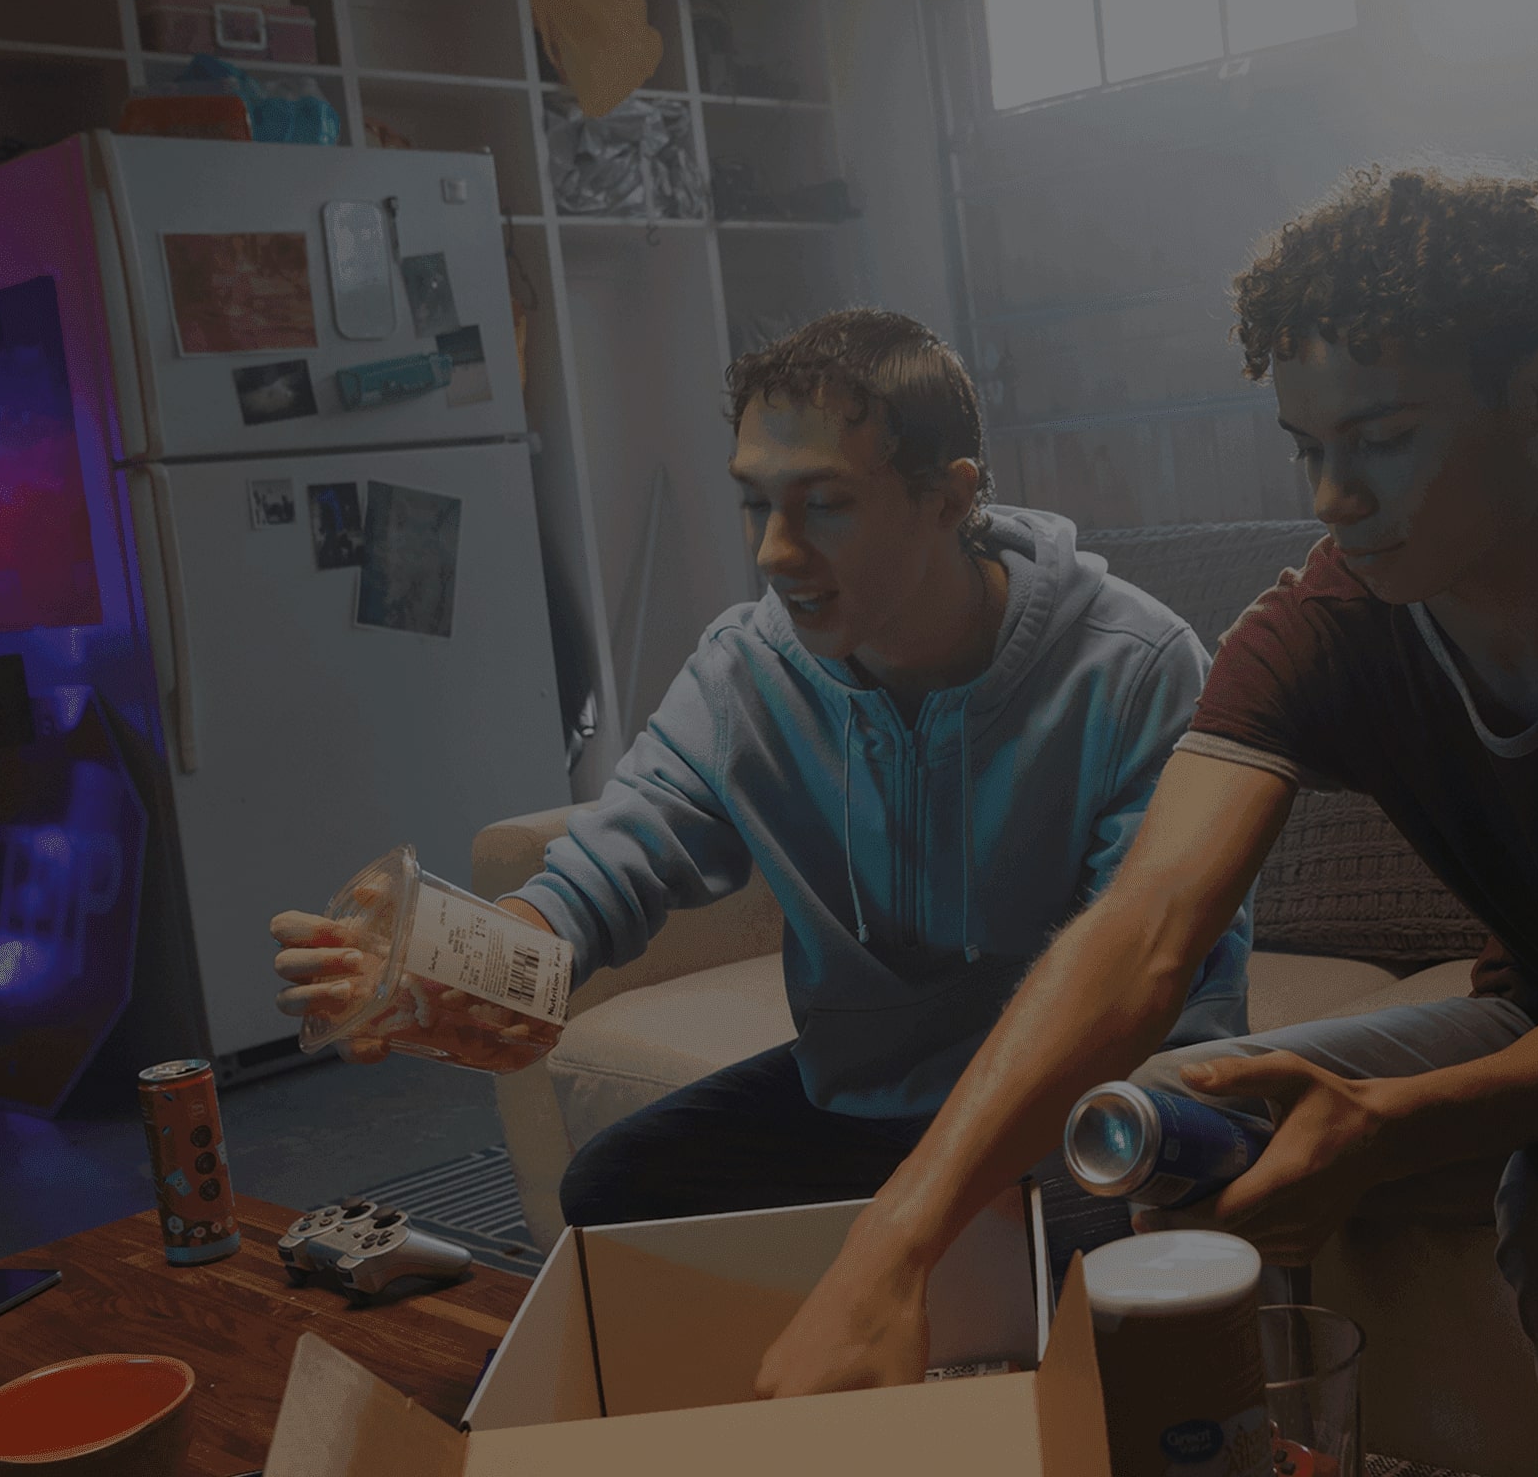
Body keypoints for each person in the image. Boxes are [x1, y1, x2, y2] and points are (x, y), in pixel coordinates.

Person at [751, 168, 1538, 1477]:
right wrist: (891, 1245)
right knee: (1164, 1114)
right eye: (1309, 450)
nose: (1334, 498)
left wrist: (1380, 1128)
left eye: (1380, 439)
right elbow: (1140, 933)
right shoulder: (1327, 623)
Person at [269, 308, 1252, 1224]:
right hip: (862, 1107)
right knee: (613, 1193)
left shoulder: (1133, 667)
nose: (776, 552)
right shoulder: (750, 667)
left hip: (1089, 1097)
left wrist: (939, 1204)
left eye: (822, 505)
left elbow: (1146, 988)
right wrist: (451, 967)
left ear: (947, 498)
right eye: (756, 505)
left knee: (1060, 1247)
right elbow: (607, 869)